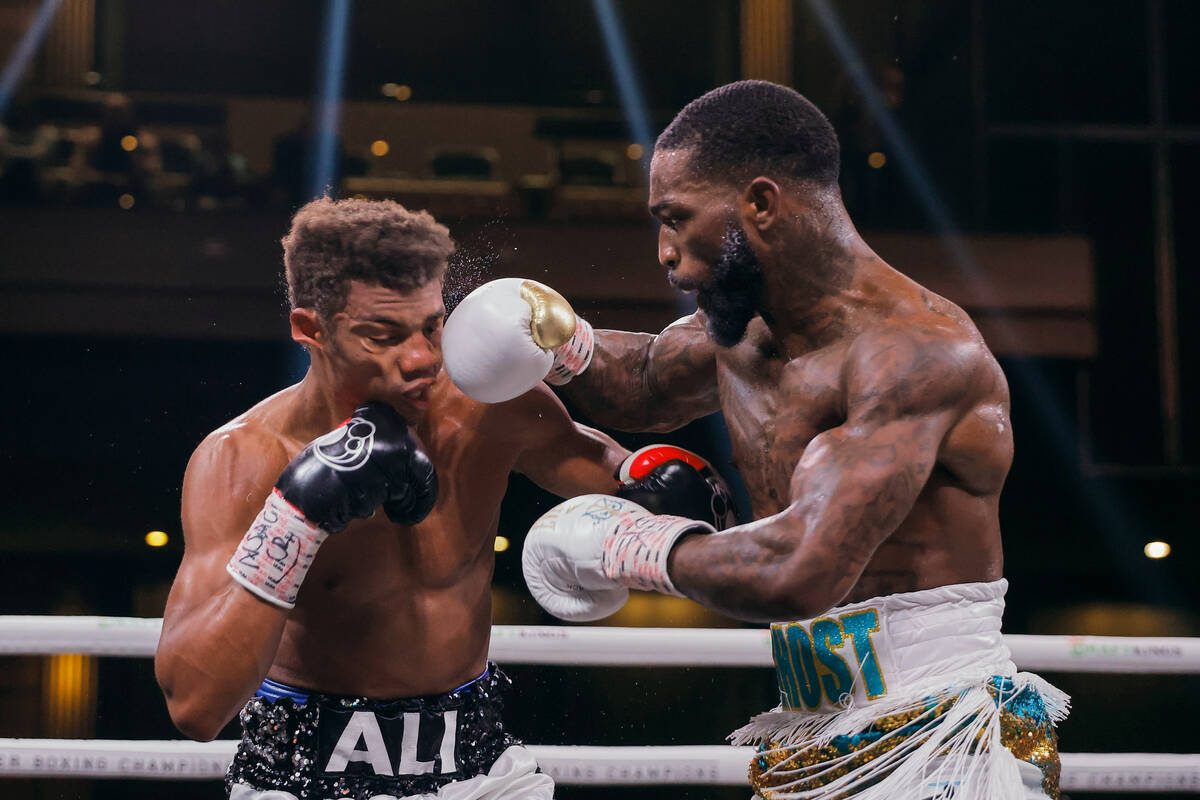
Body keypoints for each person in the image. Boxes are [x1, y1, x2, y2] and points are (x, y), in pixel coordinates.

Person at [443, 81, 1068, 800]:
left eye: (676, 219)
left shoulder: (915, 355)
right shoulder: (741, 334)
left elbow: (798, 573)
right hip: (814, 729)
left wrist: (631, 546)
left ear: (762, 205)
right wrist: (552, 336)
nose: (664, 252)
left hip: (941, 727)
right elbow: (643, 381)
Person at [154, 197, 731, 800]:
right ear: (310, 330)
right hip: (304, 777)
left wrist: (666, 485)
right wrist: (295, 516)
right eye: (384, 336)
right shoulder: (244, 459)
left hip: (480, 768)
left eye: (432, 326)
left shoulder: (489, 405)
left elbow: (638, 485)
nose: (423, 359)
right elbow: (196, 708)